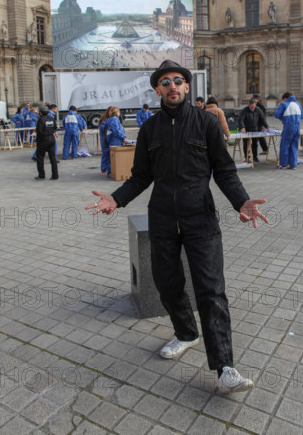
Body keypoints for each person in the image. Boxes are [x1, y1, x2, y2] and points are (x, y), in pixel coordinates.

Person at [86, 60, 268, 394]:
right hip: (163, 221)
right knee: (167, 284)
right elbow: (141, 175)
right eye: (165, 82)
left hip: (200, 218)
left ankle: (225, 367)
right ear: (158, 90)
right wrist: (116, 199)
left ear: (187, 88)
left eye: (179, 81)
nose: (172, 87)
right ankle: (186, 333)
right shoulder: (150, 129)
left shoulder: (207, 124)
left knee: (211, 291)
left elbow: (224, 171)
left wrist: (240, 201)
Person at [274, 92, 303, 170]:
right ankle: (293, 165)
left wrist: (282, 118)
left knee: (284, 145)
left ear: (285, 98)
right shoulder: (298, 104)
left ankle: (284, 164)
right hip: (297, 128)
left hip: (288, 127)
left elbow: (276, 114)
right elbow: (302, 116)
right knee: (294, 146)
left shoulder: (284, 104)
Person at [238, 98, 269, 162]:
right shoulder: (245, 110)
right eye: (251, 107)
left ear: (255, 105)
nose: (252, 108)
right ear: (249, 105)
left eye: (253, 107)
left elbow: (262, 118)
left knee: (255, 143)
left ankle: (255, 156)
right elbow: (241, 119)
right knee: (246, 143)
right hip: (247, 129)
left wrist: (267, 126)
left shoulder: (258, 109)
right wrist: (242, 127)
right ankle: (246, 157)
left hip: (255, 129)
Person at [34, 105, 58, 180]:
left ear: (40, 113)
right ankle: (55, 175)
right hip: (51, 138)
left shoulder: (40, 120)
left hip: (43, 140)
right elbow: (55, 128)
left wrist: (37, 141)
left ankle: (41, 175)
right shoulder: (51, 118)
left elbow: (39, 131)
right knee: (53, 158)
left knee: (40, 158)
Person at [99, 107, 112, 175]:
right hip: (104, 139)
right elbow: (103, 129)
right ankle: (104, 169)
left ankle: (106, 169)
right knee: (105, 154)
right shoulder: (105, 120)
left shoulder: (107, 119)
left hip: (105, 138)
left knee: (107, 154)